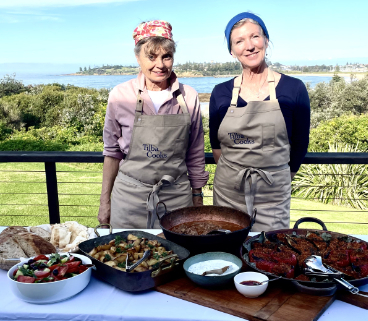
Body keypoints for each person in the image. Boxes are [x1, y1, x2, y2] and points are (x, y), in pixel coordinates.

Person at [98, 20, 209, 229]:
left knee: (178, 257)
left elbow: (195, 153)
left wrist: (197, 198)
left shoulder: (189, 96)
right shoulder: (120, 95)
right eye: (151, 56)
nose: (160, 64)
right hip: (129, 198)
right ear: (137, 57)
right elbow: (112, 153)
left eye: (166, 56)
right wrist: (105, 202)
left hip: (177, 199)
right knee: (125, 256)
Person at [209, 12, 310, 231]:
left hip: (273, 198)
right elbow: (216, 147)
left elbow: (300, 144)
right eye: (239, 41)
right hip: (228, 195)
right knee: (228, 255)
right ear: (232, 51)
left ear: (266, 39)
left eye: (255, 36)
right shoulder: (220, 92)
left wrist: (277, 180)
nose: (249, 46)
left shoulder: (294, 89)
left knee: (270, 258)